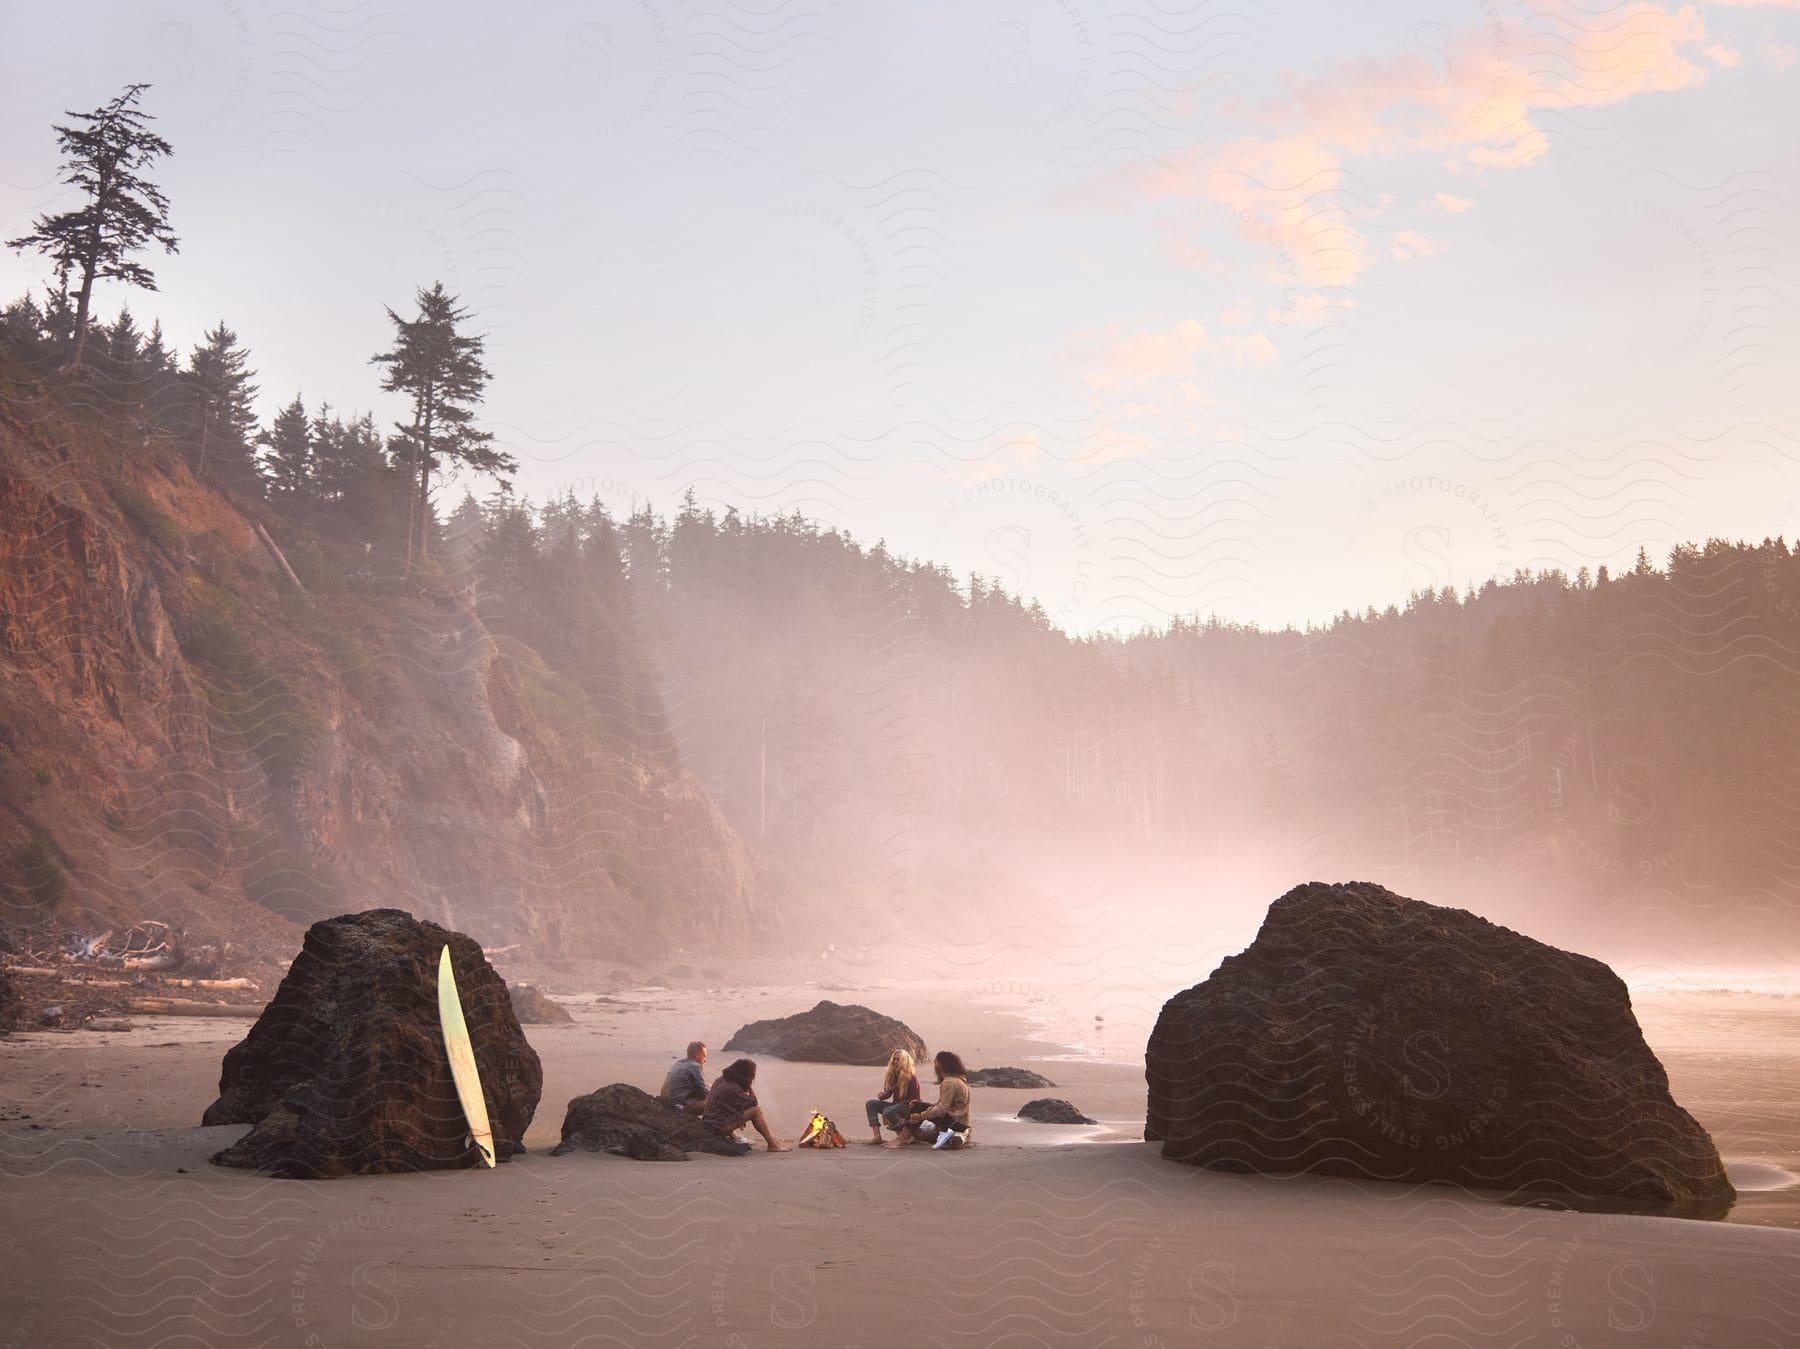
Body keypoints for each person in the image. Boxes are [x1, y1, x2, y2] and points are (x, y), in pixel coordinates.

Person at [885, 1050, 971, 1149]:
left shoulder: (949, 1083)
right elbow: (944, 1105)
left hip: (956, 1123)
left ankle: (902, 1138)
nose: (934, 1066)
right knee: (918, 1105)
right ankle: (905, 1128)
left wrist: (921, 1116)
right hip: (961, 1123)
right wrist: (924, 1108)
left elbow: (941, 1109)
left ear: (942, 1065)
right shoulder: (958, 1080)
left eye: (936, 1062)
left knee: (918, 1106)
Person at [702, 1058, 791, 1152]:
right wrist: (749, 1085)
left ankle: (773, 1142)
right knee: (756, 1111)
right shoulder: (733, 1088)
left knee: (743, 1111)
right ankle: (772, 1145)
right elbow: (753, 1102)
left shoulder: (721, 1080)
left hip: (709, 1124)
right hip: (717, 1128)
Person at [865, 1048, 923, 1144]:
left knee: (888, 1111)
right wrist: (882, 1095)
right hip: (895, 1106)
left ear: (904, 1062)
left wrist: (906, 1112)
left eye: (898, 1060)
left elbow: (915, 1099)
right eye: (894, 1059)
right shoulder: (892, 1076)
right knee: (870, 1104)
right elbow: (887, 1094)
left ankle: (905, 1134)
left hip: (908, 1107)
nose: (895, 1062)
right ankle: (877, 1136)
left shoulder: (912, 1078)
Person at [661, 1040, 709, 1116]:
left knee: (709, 1086)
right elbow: (703, 1094)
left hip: (667, 1103)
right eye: (704, 1056)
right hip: (679, 1108)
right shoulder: (695, 1066)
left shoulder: (678, 1063)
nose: (705, 1060)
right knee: (716, 1100)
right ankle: (710, 1125)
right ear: (697, 1055)